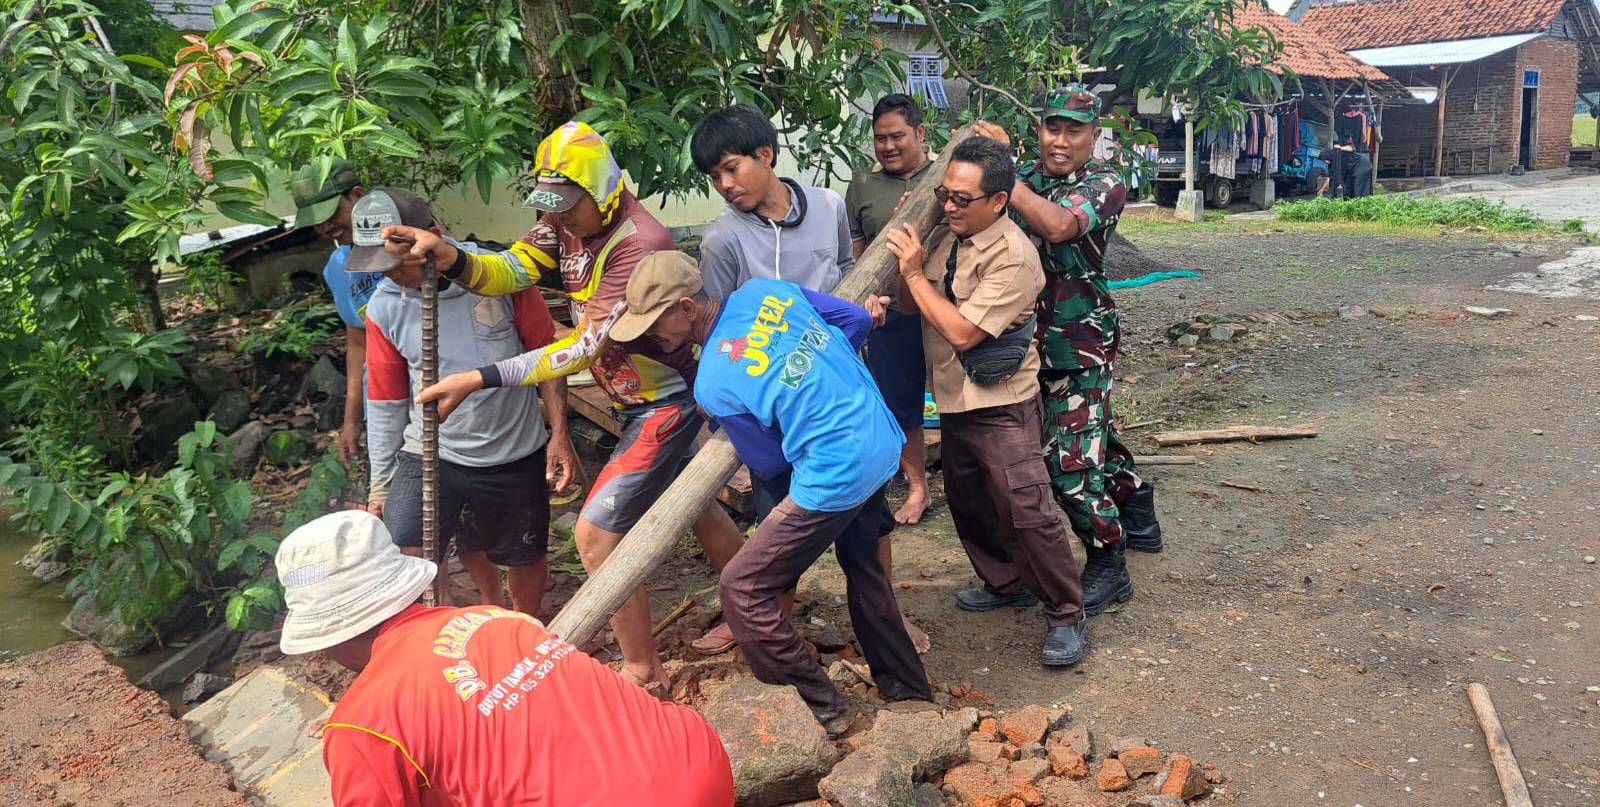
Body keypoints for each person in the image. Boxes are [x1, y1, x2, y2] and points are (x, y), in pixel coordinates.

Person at [384, 121, 744, 692]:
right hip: (630, 399)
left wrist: (480, 377)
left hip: (663, 401)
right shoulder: (561, 221)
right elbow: (509, 271)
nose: (560, 218)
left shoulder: (639, 243)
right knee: (698, 506)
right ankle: (760, 604)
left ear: (602, 191)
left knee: (595, 537)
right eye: (551, 206)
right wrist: (449, 255)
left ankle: (642, 670)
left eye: (570, 206)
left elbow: (583, 347)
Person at [611, 252, 932, 735]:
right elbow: (855, 320)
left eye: (656, 324)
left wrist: (735, 417)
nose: (654, 336)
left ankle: (824, 710)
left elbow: (768, 463)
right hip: (877, 437)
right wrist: (811, 377)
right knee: (864, 564)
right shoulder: (765, 291)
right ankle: (908, 689)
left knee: (741, 590)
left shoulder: (713, 381)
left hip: (835, 469)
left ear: (686, 308)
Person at [275, 510, 735, 807]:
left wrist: (362, 729)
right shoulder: (487, 618)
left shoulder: (362, 728)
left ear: (326, 635)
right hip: (697, 766)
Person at [691, 104, 930, 654]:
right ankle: (770, 624)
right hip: (775, 409)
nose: (725, 185)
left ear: (765, 155)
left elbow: (846, 271)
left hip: (837, 392)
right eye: (714, 177)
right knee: (779, 522)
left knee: (869, 522)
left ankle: (888, 621)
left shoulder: (826, 206)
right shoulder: (722, 239)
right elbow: (718, 326)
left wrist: (867, 301)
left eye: (731, 168)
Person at [883, 137, 1087, 666]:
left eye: (962, 199)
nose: (949, 207)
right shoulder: (946, 237)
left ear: (998, 201)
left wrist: (913, 272)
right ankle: (1004, 583)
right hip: (953, 399)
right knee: (970, 502)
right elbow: (912, 305)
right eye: (944, 195)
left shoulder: (1014, 256)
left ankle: (1066, 612)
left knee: (1025, 509)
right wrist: (909, 262)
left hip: (1001, 403)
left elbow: (962, 332)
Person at [973, 85, 1164, 617]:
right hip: (1023, 341)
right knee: (1087, 438)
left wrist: (1003, 174)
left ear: (1093, 136)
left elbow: (1058, 226)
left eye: (1073, 131)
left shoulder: (1104, 183)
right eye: (1051, 128)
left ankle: (1108, 559)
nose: (1060, 141)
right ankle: (1136, 503)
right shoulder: (1027, 177)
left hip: (1079, 343)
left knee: (1067, 462)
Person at [355, 189, 573, 616]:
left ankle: (524, 622)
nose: (390, 275)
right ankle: (461, 616)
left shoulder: (499, 277)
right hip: (432, 448)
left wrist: (559, 434)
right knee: (407, 546)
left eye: (397, 262)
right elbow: (385, 399)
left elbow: (546, 355)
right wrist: (380, 484)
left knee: (521, 553)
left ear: (431, 238)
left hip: (511, 447)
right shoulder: (384, 306)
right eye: (380, 266)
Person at [845, 94, 936, 527]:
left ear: (920, 132)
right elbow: (856, 256)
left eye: (897, 136)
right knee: (900, 402)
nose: (888, 146)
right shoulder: (863, 184)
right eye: (880, 138)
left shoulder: (946, 174)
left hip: (946, 304)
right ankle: (918, 487)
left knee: (960, 393)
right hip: (889, 312)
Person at [289, 158, 376, 468]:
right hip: (383, 406)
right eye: (317, 220)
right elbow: (358, 344)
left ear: (358, 195)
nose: (326, 226)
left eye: (330, 213)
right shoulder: (339, 268)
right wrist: (351, 421)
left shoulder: (413, 242)